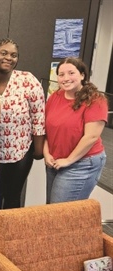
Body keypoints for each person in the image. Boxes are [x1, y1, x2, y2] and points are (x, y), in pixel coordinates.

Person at [0, 38, 45, 249]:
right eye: (3, 53)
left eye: (13, 55)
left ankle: (8, 241)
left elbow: (38, 116)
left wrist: (38, 151)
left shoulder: (27, 80)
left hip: (20, 151)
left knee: (12, 196)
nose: (8, 58)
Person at [44, 57, 107, 203]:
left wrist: (68, 160)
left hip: (81, 163)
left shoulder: (96, 100)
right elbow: (46, 129)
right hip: (56, 161)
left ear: (82, 75)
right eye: (61, 74)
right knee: (51, 211)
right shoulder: (55, 96)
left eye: (71, 73)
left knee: (61, 215)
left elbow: (91, 137)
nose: (66, 78)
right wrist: (46, 153)